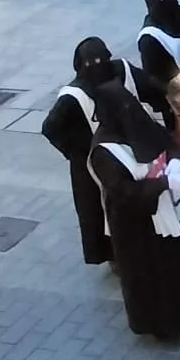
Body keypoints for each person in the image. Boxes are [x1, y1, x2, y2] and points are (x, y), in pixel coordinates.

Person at [87, 65, 180, 340]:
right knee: (151, 273)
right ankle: (164, 325)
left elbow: (166, 142)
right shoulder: (103, 151)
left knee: (174, 262)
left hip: (162, 208)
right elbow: (122, 191)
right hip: (135, 226)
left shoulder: (135, 122)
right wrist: (162, 184)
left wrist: (175, 163)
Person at [42, 37, 143, 266]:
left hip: (123, 152)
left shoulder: (122, 71)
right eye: (92, 63)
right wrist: (75, 152)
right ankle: (112, 253)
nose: (98, 66)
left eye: (101, 60)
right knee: (97, 209)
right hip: (90, 162)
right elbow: (50, 128)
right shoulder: (72, 96)